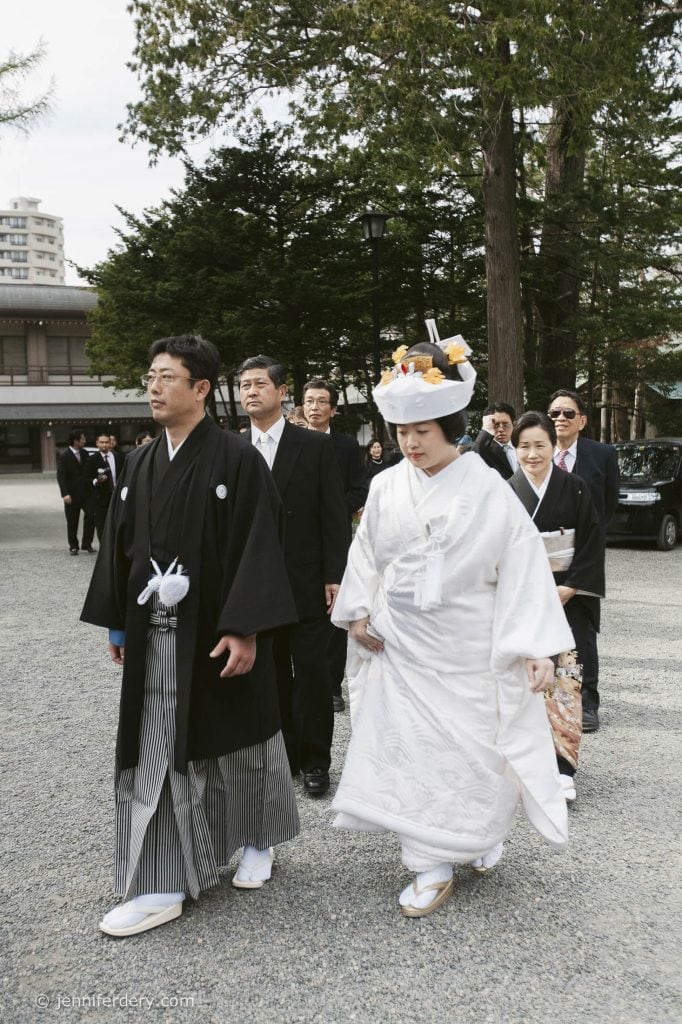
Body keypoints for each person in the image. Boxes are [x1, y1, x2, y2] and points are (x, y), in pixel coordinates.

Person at [330, 331, 573, 918]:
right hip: (403, 642)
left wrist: (536, 646)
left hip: (469, 642)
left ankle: (475, 833)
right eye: (402, 434)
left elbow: (520, 565)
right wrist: (358, 611)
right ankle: (429, 859)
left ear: (451, 429)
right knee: (413, 751)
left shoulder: (488, 488)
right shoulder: (387, 486)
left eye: (423, 433)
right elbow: (364, 554)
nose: (410, 444)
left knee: (473, 750)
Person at [81, 335, 300, 938]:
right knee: (157, 748)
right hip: (158, 638)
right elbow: (120, 546)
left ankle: (260, 836)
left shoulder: (236, 459)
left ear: (201, 388)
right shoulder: (143, 462)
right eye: (149, 376)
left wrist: (245, 627)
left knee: (244, 738)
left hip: (219, 630)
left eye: (167, 377)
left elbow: (260, 542)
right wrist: (121, 621)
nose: (153, 387)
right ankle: (161, 881)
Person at [238, 356, 351, 795]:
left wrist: (334, 575)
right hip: (255, 584)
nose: (251, 391)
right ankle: (280, 753)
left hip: (305, 580)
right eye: (245, 384)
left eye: (260, 384)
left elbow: (333, 517)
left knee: (313, 674)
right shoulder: (234, 448)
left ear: (282, 392)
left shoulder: (315, 446)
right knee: (268, 675)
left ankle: (316, 760)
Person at [509, 411, 605, 802]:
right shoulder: (506, 490)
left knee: (565, 681)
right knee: (520, 682)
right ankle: (525, 762)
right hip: (520, 598)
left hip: (566, 595)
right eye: (524, 446)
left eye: (539, 445)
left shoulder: (576, 487)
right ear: (515, 450)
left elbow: (591, 541)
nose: (532, 454)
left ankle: (564, 766)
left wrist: (571, 586)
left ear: (554, 446)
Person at [548, 389, 620, 732]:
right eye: (554, 414)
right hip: (546, 559)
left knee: (583, 632)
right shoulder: (539, 452)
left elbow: (608, 505)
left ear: (582, 420)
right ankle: (547, 699)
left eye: (567, 413)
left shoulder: (602, 455)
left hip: (587, 556)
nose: (560, 419)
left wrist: (587, 547)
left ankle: (587, 703)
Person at [303, 377, 369, 714]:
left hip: (335, 536)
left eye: (321, 402)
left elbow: (359, 489)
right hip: (298, 537)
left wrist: (331, 510)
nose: (314, 408)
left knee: (333, 609)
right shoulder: (291, 442)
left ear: (333, 408)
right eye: (310, 401)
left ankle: (330, 686)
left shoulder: (344, 446)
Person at [56, 428, 94, 554]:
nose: (85, 441)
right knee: (72, 521)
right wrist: (65, 494)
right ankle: (73, 546)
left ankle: (87, 543)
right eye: (83, 439)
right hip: (71, 494)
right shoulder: (64, 456)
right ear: (75, 441)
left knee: (91, 516)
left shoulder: (85, 453)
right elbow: (61, 476)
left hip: (86, 493)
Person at [84, 432, 118, 543]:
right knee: (101, 525)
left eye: (107, 442)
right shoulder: (92, 459)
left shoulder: (118, 457)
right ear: (97, 444)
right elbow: (86, 478)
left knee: (116, 523)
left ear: (111, 443)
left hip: (116, 496)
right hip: (100, 498)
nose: (104, 445)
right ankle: (104, 550)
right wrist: (96, 481)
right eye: (102, 442)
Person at [473, 402, 517, 479]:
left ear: (514, 425)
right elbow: (472, 459)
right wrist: (485, 430)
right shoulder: (483, 450)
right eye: (496, 425)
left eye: (505, 424)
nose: (500, 429)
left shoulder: (522, 446)